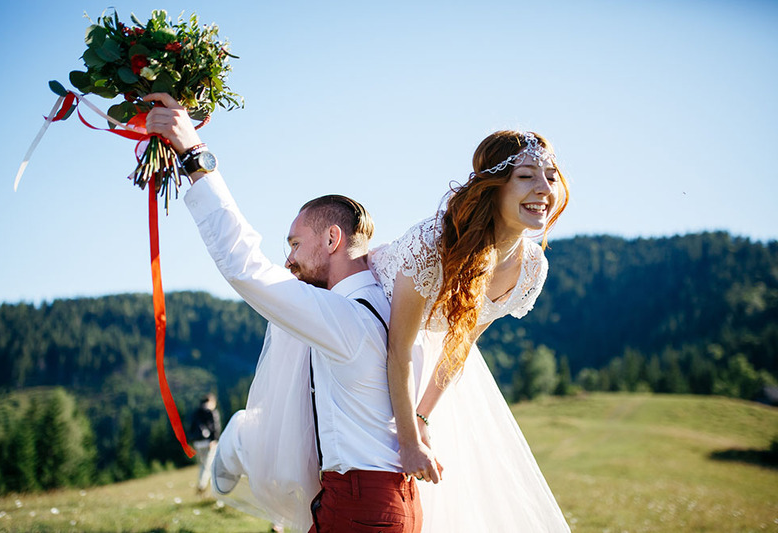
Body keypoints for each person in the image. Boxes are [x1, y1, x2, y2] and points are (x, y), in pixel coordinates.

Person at [144, 93, 423, 532]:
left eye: (295, 244)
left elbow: (245, 267)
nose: (288, 259)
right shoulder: (387, 305)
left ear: (332, 239)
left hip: (361, 506)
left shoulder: (344, 317)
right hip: (378, 501)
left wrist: (193, 154)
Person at [368, 130, 572, 531]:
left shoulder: (531, 268)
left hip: (424, 357)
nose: (545, 189)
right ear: (494, 187)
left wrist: (423, 417)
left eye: (550, 175)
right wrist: (408, 440)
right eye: (527, 176)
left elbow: (462, 342)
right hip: (369, 331)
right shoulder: (433, 243)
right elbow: (398, 349)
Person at [188, 393, 222, 496]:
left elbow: (191, 427)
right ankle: (203, 486)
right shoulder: (212, 412)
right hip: (208, 442)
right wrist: (214, 440)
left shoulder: (196, 412)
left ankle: (203, 487)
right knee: (209, 465)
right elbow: (216, 426)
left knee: (202, 465)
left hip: (198, 442)